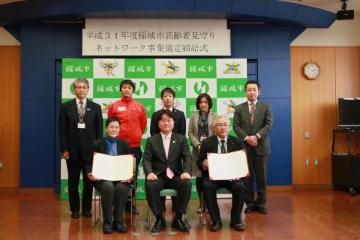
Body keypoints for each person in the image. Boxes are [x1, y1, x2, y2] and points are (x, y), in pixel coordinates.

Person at [59, 78, 103, 219]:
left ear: (88, 89)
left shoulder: (95, 107)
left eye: (84, 87)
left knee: (89, 183)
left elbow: (99, 132)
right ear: (74, 89)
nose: (81, 90)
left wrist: (98, 152)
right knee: (73, 183)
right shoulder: (66, 107)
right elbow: (62, 131)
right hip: (72, 152)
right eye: (78, 87)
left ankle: (86, 209)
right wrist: (64, 149)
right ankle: (75, 210)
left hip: (90, 152)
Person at [143, 109, 192, 233]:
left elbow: (187, 157)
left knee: (186, 183)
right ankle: (159, 218)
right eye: (163, 120)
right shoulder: (151, 140)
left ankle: (179, 218)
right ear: (158, 123)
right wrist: (149, 172)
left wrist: (186, 171)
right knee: (150, 185)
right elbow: (147, 159)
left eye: (169, 120)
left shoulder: (180, 139)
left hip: (175, 175)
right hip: (158, 175)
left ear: (173, 122)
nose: (166, 123)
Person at [198, 115, 247, 232]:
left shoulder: (238, 142)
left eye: (225, 124)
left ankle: (236, 220)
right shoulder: (206, 142)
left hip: (232, 178)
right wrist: (203, 164)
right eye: (220, 125)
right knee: (207, 186)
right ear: (214, 128)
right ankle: (216, 220)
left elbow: (243, 163)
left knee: (240, 186)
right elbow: (199, 162)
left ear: (229, 127)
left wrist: (239, 173)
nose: (223, 127)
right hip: (213, 178)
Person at [233, 80, 273, 214]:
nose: (252, 92)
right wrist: (247, 138)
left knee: (262, 177)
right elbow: (236, 126)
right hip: (245, 147)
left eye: (254, 89)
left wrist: (256, 136)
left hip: (261, 146)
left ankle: (261, 203)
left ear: (259, 92)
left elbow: (268, 125)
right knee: (247, 177)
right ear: (245, 92)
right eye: (249, 90)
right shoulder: (239, 108)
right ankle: (249, 203)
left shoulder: (266, 106)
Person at [107, 79, 147, 212]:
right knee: (116, 175)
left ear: (133, 90)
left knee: (132, 176)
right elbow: (111, 124)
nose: (126, 90)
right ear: (121, 90)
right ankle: (116, 202)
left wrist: (135, 135)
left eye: (129, 87)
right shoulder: (114, 106)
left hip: (134, 147)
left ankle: (130, 203)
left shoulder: (139, 106)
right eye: (124, 87)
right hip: (117, 147)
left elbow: (143, 125)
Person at [87, 118, 132, 234]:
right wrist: (90, 173)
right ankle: (107, 221)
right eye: (111, 127)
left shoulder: (125, 145)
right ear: (106, 128)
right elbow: (89, 163)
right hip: (102, 178)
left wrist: (130, 175)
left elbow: (130, 164)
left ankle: (118, 221)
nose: (114, 129)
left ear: (119, 129)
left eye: (116, 127)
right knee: (108, 186)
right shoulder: (97, 144)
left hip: (121, 178)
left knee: (121, 188)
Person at [150, 87, 186, 211]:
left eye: (170, 96)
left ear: (173, 99)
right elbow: (153, 133)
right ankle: (159, 212)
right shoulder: (156, 114)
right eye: (165, 96)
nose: (167, 98)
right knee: (155, 185)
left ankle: (178, 212)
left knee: (181, 183)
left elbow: (182, 133)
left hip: (174, 157)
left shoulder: (180, 114)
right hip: (160, 157)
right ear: (162, 99)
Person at [188, 93, 217, 213]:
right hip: (197, 150)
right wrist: (198, 144)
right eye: (201, 102)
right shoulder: (193, 116)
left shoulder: (215, 116)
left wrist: (207, 145)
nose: (203, 104)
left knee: (211, 178)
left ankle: (210, 205)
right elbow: (190, 132)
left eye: (205, 102)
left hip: (211, 151)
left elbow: (217, 131)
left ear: (209, 104)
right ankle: (201, 205)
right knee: (199, 178)